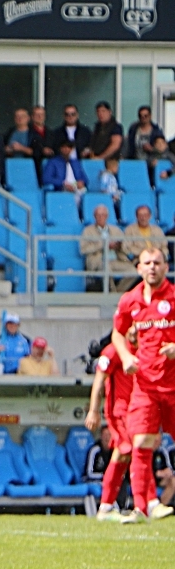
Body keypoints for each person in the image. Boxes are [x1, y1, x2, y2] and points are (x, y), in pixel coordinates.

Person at [111, 248, 175, 521]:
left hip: (173, 384)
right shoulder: (130, 300)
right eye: (147, 263)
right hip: (145, 385)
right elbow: (117, 332)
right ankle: (143, 506)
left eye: (157, 263)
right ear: (138, 268)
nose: (152, 267)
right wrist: (126, 356)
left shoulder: (173, 297)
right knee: (140, 443)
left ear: (166, 267)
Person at [88, 333, 135, 520]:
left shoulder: (143, 349)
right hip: (119, 412)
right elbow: (99, 381)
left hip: (137, 411)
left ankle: (106, 506)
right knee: (130, 449)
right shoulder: (112, 351)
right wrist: (93, 411)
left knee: (123, 454)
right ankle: (146, 504)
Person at [82, 202, 133, 292]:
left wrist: (119, 245)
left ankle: (118, 292)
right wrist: (104, 245)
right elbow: (83, 249)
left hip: (116, 260)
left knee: (133, 271)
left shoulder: (116, 230)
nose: (101, 217)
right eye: (98, 215)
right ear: (94, 216)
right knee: (107, 270)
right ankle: (112, 294)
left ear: (107, 216)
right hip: (99, 261)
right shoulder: (87, 231)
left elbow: (126, 247)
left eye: (103, 215)